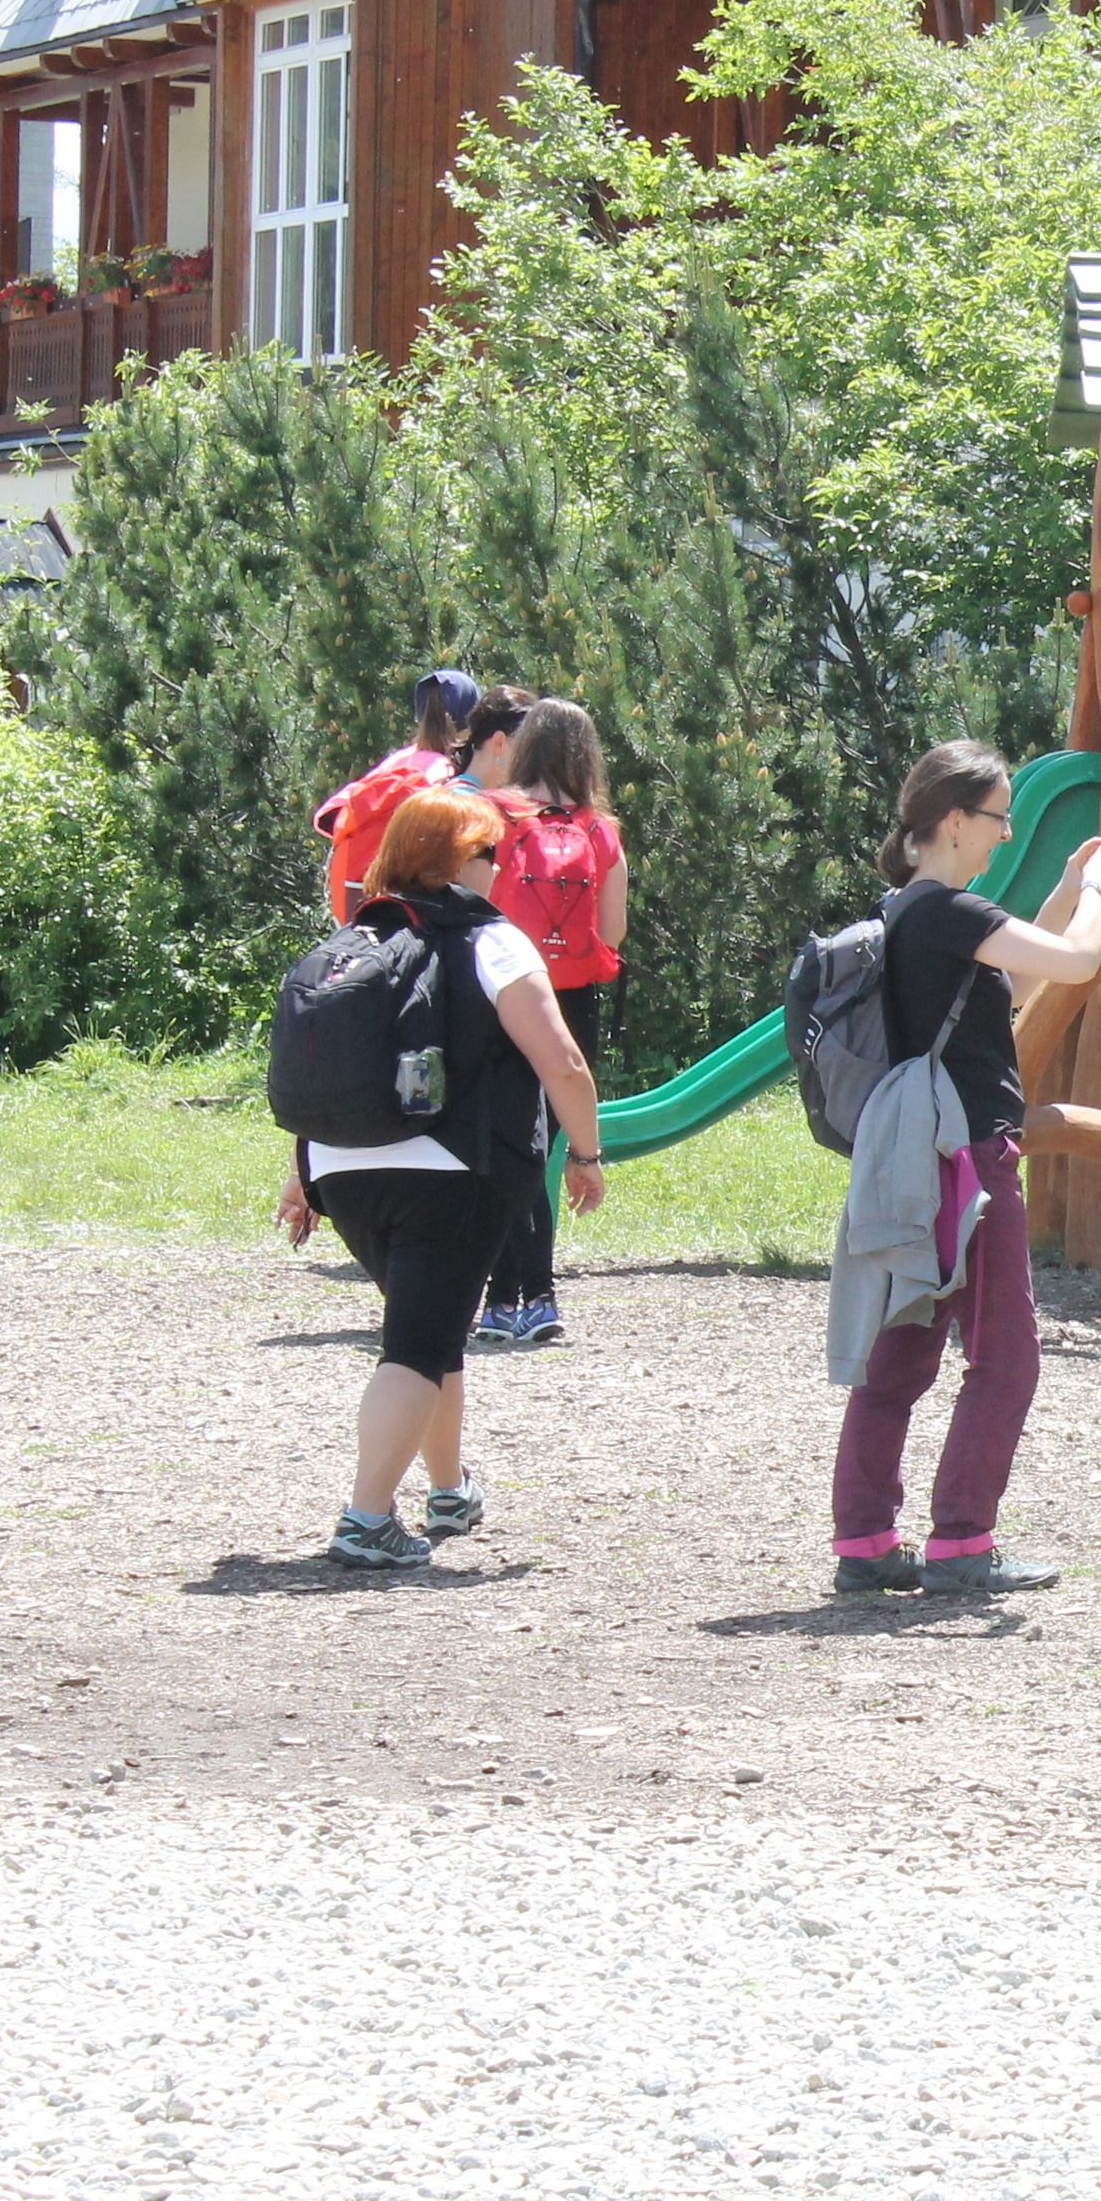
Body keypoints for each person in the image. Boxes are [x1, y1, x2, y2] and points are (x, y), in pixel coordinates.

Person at [275, 789, 608, 1568]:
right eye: (491, 853)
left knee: (430, 1327)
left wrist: (299, 1172)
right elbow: (561, 1061)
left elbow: (330, 1069)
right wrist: (587, 1155)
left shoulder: (354, 942)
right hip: (453, 1171)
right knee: (417, 1346)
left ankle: (449, 1489)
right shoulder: (493, 943)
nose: (500, 867)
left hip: (341, 1168)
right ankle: (366, 1521)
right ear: (460, 861)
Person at [828, 742, 1101, 1600]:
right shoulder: (951, 913)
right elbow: (1077, 963)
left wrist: (1064, 889)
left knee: (902, 1351)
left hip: (915, 1160)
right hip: (970, 1160)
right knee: (1005, 1356)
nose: (1006, 833)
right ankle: (962, 1541)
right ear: (954, 821)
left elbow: (1015, 986)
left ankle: (865, 1540)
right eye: (999, 817)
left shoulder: (907, 913)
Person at [475, 698, 628, 1346]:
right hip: (573, 1004)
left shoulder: (491, 815)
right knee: (541, 1152)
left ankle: (503, 1299)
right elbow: (612, 934)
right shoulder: (600, 831)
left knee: (507, 1148)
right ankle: (536, 1297)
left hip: (505, 992)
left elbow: (474, 912)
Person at [310, 669, 476, 922]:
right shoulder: (444, 773)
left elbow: (332, 816)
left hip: (352, 893)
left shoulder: (399, 759)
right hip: (398, 902)